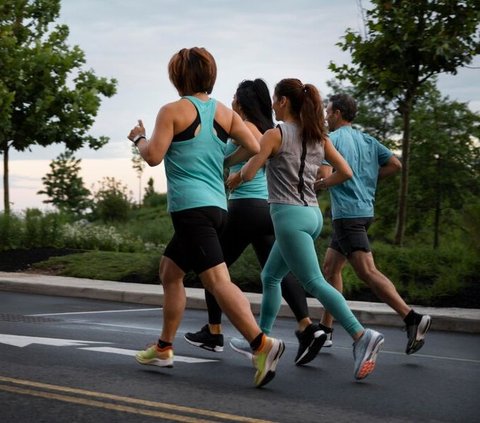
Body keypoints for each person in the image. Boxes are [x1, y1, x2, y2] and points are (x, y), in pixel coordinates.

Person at [127, 47, 284, 388]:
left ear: (177, 76)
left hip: (191, 209)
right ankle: (165, 347)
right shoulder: (225, 113)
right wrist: (224, 162)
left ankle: (262, 345)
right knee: (170, 272)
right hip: (217, 207)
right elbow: (256, 146)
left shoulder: (172, 111)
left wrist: (138, 138)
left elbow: (153, 156)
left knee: (217, 281)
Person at [231, 78, 384, 380]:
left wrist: (232, 179)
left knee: (314, 282)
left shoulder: (275, 134)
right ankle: (260, 340)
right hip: (312, 215)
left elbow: (249, 171)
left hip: (288, 217)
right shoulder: (318, 136)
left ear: (284, 101)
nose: (272, 104)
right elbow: (346, 172)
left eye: (275, 99)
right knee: (271, 275)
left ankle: (361, 335)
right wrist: (319, 184)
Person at [184, 78, 326, 366]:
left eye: (235, 97)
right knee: (275, 272)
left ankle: (214, 332)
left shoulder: (247, 128)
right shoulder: (268, 129)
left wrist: (224, 166)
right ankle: (307, 326)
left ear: (243, 102)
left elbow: (231, 156)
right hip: (267, 211)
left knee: (213, 268)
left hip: (245, 209)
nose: (232, 101)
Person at [317, 93, 431, 355]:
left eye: (328, 111)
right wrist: (369, 179)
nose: (325, 116)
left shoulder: (332, 140)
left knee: (367, 271)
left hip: (347, 215)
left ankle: (411, 317)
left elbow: (323, 176)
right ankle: (327, 329)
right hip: (363, 211)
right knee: (330, 268)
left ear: (337, 114)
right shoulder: (367, 139)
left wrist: (315, 183)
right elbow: (395, 164)